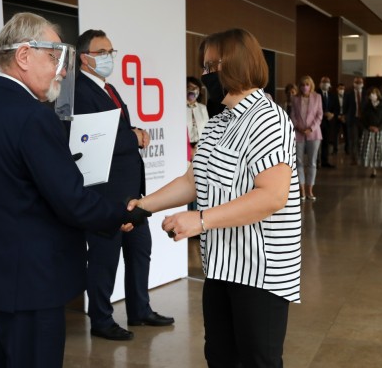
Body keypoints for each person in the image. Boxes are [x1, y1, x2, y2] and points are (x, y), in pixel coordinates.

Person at [0, 13, 149, 367]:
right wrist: (125, 213)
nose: (62, 71)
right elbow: (72, 201)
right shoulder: (32, 115)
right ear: (24, 56)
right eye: (54, 58)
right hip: (30, 284)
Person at [129, 28, 301, 367]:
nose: (206, 75)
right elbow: (193, 180)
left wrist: (201, 220)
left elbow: (272, 196)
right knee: (220, 355)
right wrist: (143, 206)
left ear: (236, 63)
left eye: (212, 66)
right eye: (204, 66)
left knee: (258, 360)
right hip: (221, 266)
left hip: (259, 270)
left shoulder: (267, 118)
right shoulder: (219, 121)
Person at [72, 29, 174, 341]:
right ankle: (101, 320)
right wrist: (134, 136)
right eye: (101, 52)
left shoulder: (109, 88)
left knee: (140, 249)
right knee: (104, 259)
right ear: (84, 57)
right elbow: (88, 138)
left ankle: (140, 310)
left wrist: (133, 131)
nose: (108, 58)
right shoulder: (75, 90)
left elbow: (116, 128)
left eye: (111, 51)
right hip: (105, 194)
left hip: (131, 193)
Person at [290, 75, 323, 200]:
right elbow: (292, 114)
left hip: (314, 134)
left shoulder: (317, 97)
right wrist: (297, 127)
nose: (305, 87)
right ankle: (301, 190)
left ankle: (310, 189)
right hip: (298, 133)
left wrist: (311, 128)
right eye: (303, 85)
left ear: (311, 85)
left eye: (307, 84)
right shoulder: (295, 98)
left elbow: (319, 115)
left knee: (312, 162)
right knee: (298, 162)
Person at [359, 87, 382, 178]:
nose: (372, 96)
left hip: (380, 131)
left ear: (377, 94)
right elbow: (363, 119)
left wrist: (379, 127)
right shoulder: (366, 106)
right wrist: (368, 126)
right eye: (370, 94)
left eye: (373, 94)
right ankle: (374, 171)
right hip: (370, 131)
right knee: (371, 151)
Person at [343, 76, 365, 165]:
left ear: (363, 84)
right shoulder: (348, 94)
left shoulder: (366, 94)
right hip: (353, 120)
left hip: (364, 121)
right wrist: (345, 117)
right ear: (353, 83)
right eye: (356, 82)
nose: (358, 84)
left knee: (363, 140)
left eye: (360, 82)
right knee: (354, 140)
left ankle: (363, 158)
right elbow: (345, 107)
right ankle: (354, 158)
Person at [187, 76, 210, 158]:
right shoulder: (180, 109)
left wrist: (197, 148)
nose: (192, 90)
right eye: (189, 87)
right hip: (185, 148)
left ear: (199, 90)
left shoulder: (203, 108)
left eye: (195, 88)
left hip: (200, 148)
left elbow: (207, 130)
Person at [318, 76, 337, 168]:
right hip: (318, 122)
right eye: (324, 82)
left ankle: (325, 161)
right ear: (320, 83)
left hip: (328, 122)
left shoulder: (332, 95)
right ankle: (317, 161)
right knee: (317, 143)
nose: (325, 83)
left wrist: (332, 114)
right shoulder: (316, 94)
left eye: (327, 82)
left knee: (326, 142)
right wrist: (324, 113)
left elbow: (335, 108)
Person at [335, 83, 347, 155]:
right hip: (337, 117)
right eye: (340, 88)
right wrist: (338, 116)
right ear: (337, 89)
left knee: (346, 133)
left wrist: (345, 116)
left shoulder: (347, 97)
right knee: (335, 134)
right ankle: (335, 149)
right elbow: (333, 108)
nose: (341, 90)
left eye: (343, 89)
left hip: (345, 117)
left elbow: (349, 107)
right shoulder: (334, 97)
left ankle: (347, 149)